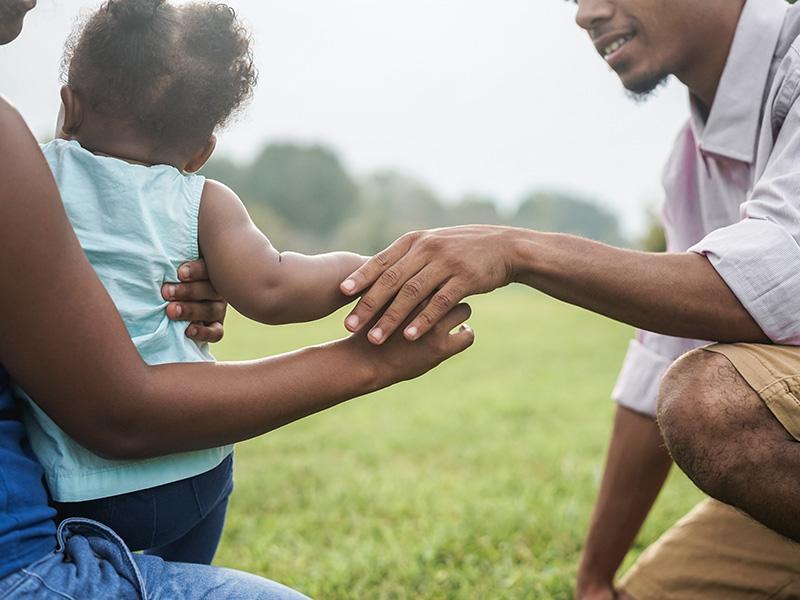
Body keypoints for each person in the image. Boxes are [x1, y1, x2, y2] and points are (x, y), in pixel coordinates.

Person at [0, 1, 475, 597]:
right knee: (197, 547)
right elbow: (274, 288)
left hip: (75, 492)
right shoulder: (202, 201)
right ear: (201, 149)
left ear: (68, 105)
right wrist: (366, 270)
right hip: (190, 474)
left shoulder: (33, 176)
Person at [337, 0, 800, 598]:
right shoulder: (689, 166)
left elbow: (770, 283)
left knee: (713, 399)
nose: (585, 14)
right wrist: (594, 580)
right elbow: (658, 363)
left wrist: (518, 251)